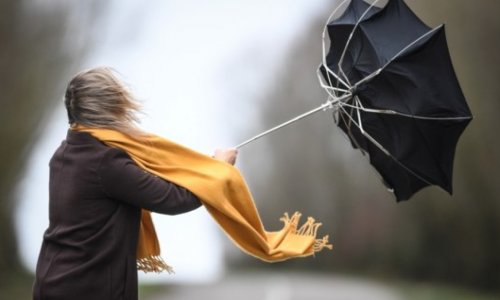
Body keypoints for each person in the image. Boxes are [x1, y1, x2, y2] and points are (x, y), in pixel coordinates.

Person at [32, 67, 237, 300]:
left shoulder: (64, 153)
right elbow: (174, 200)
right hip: (88, 290)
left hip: (50, 283)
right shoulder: (105, 162)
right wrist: (220, 169)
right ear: (110, 110)